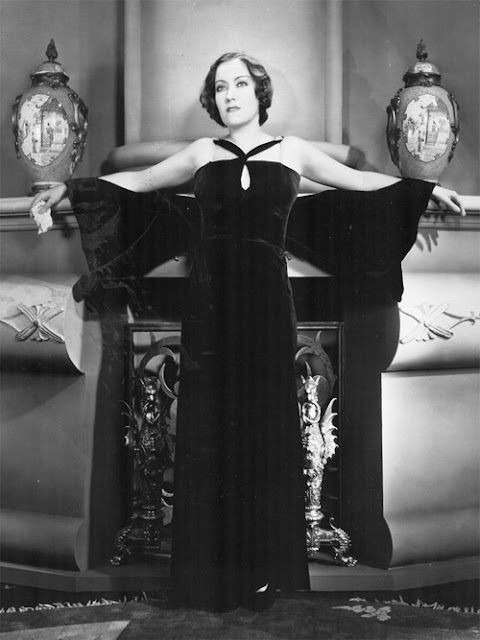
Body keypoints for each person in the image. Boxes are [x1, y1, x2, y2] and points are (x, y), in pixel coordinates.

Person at [30, 52, 464, 612]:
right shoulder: (201, 153)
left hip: (267, 303)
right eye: (221, 87)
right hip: (209, 304)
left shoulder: (292, 150)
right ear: (214, 100)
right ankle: (207, 576)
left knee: (263, 425)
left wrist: (424, 190)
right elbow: (136, 181)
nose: (231, 94)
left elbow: (360, 183)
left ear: (259, 93)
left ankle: (261, 573)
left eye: (240, 84)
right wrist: (66, 190)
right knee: (211, 424)